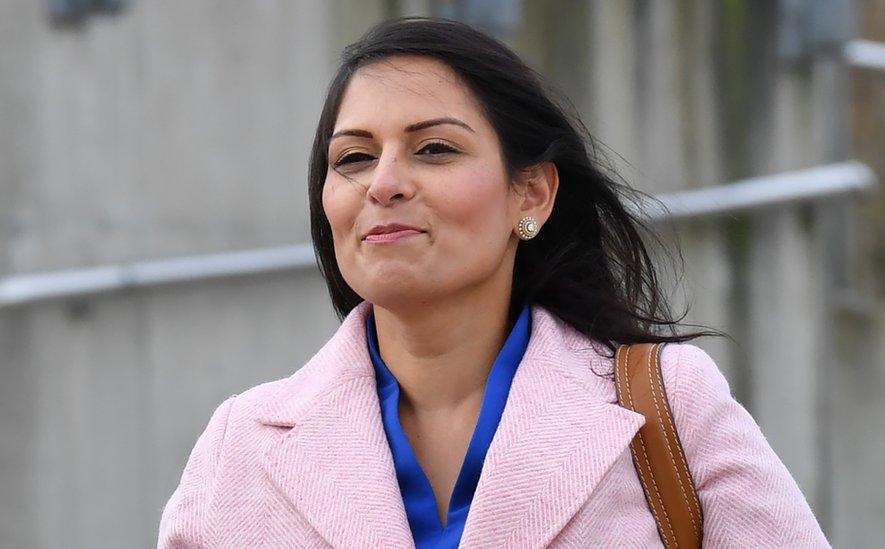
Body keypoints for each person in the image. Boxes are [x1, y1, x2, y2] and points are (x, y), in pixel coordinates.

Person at [158, 16, 830, 548]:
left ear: (531, 194)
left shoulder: (671, 406)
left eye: (435, 148)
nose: (384, 183)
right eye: (354, 157)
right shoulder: (241, 446)